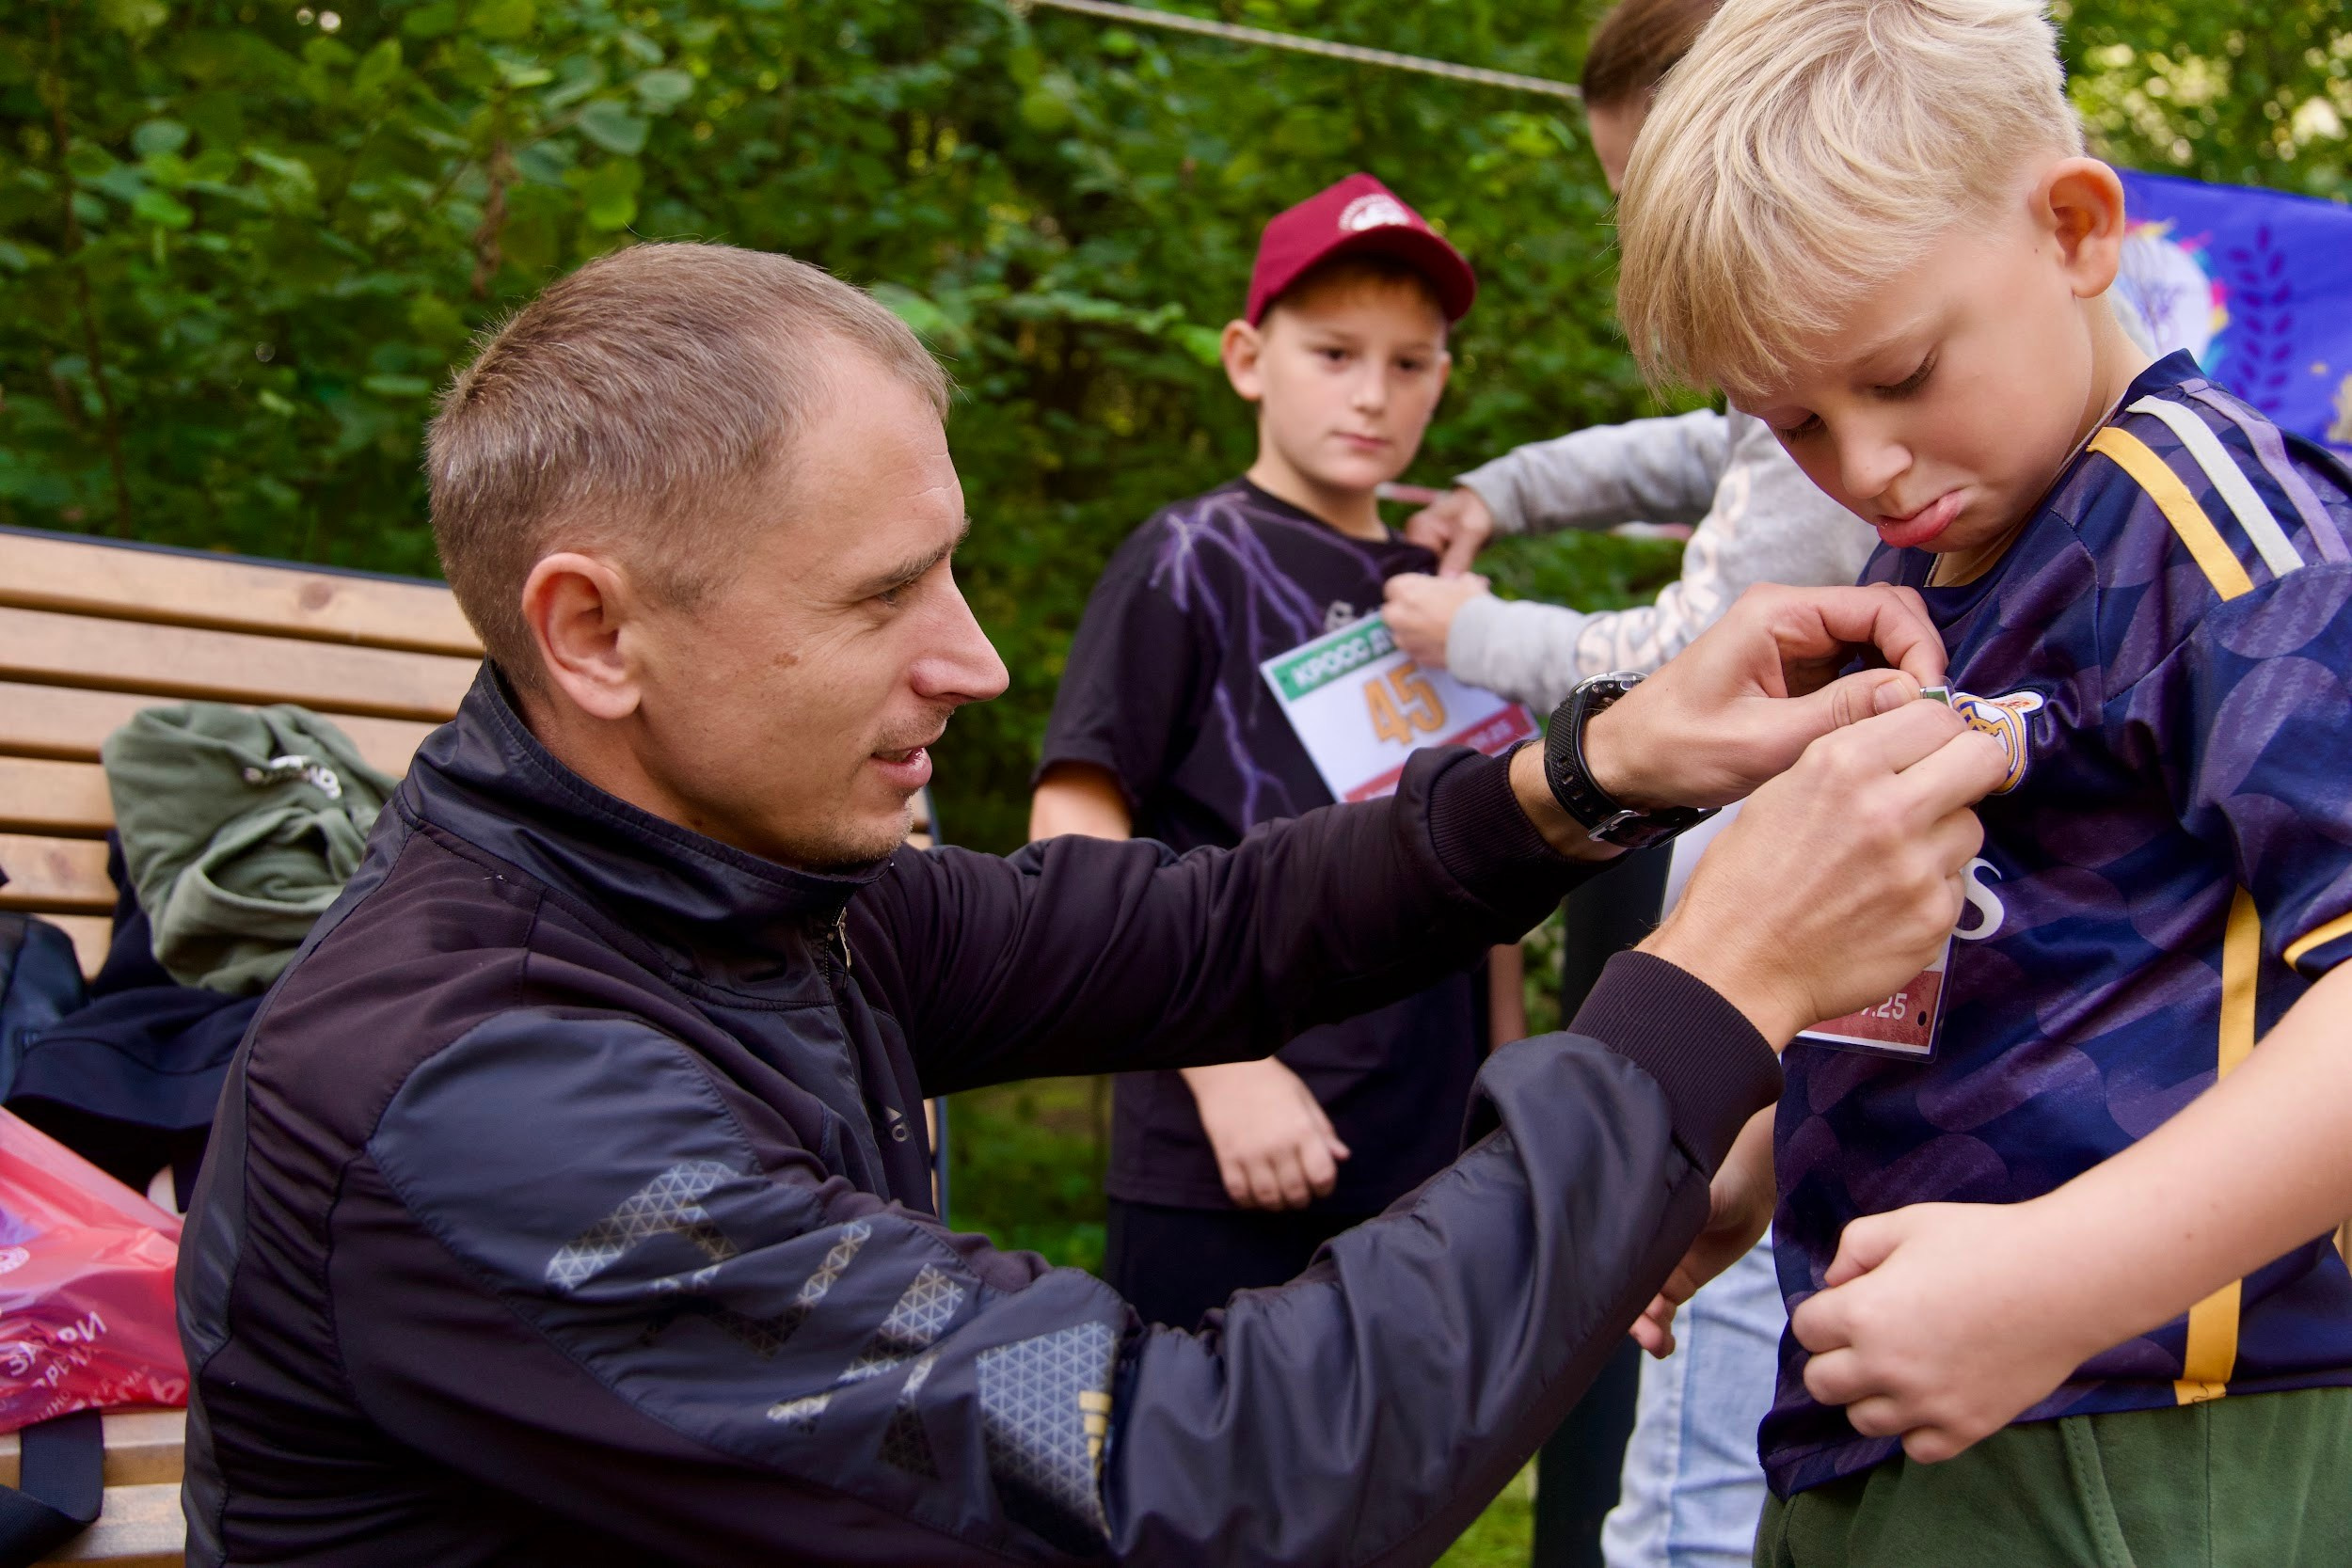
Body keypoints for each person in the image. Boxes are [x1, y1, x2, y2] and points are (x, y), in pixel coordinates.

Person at [176, 240, 2008, 1567]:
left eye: (949, 565)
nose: (970, 658)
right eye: (879, 594)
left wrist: (1589, 765)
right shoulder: (491, 1098)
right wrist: (1719, 980)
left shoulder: (740, 899)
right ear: (594, 631)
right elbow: (1213, 1477)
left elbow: (1209, 929)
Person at [1612, 1, 2352, 1563]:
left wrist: (2064, 1279)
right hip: (1892, 1416)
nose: (1868, 465)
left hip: (2151, 1427)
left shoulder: (2210, 529)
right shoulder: (1935, 554)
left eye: (1903, 372)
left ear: (2077, 230)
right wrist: (1740, 1160)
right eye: (1796, 420)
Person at [1027, 173, 1522, 1332]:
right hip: (1228, 1145)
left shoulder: (1441, 602)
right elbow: (1072, 828)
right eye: (1335, 353)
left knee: (1398, 1497)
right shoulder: (1188, 557)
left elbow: (1484, 876)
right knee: (1200, 1492)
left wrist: (1502, 1091)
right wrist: (1224, 1069)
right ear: (1249, 357)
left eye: (1411, 363)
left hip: (1423, 1150)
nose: (1373, 393)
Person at [1377, 0, 1871, 715]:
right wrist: (1511, 491)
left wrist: (1472, 632)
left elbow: (1709, 661)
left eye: (1646, 196)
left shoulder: (1835, 343)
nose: (1641, 240)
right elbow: (1732, 449)